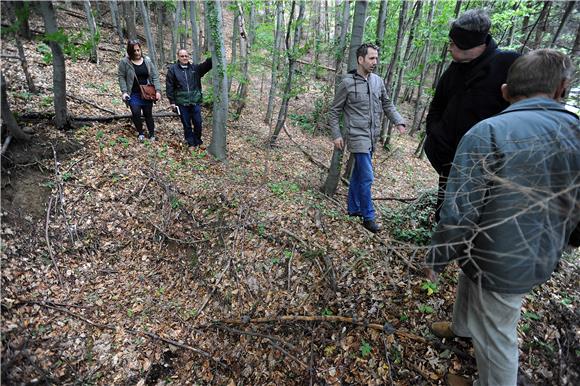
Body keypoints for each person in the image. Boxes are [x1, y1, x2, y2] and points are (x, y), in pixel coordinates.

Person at [424, 49, 579, 386]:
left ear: (506, 91)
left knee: (497, 334)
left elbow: (459, 210)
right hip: (531, 252)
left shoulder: (488, 132)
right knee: (469, 279)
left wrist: (437, 256)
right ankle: (461, 328)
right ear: (561, 88)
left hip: (501, 259)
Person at [424, 9, 520, 221]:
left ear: (470, 44)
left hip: (489, 175)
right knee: (446, 219)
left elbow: (523, 112)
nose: (449, 48)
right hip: (450, 166)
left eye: (453, 43)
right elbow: (436, 107)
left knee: (478, 228)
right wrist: (434, 137)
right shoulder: (453, 71)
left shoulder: (509, 66)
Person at [328, 43, 406, 233]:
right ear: (360, 60)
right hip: (356, 136)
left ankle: (353, 208)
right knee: (368, 177)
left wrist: (398, 121)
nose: (375, 62)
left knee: (359, 174)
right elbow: (334, 110)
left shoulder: (378, 81)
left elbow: (387, 103)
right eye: (371, 58)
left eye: (376, 58)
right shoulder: (347, 82)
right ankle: (368, 216)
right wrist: (336, 134)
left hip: (372, 136)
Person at [166, 49, 212, 147]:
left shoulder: (195, 69)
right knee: (186, 125)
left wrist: (213, 55)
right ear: (178, 57)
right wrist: (172, 102)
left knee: (198, 123)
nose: (184, 58)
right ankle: (191, 143)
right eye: (182, 56)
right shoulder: (173, 69)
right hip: (182, 103)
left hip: (195, 101)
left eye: (186, 56)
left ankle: (198, 141)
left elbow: (207, 65)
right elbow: (169, 86)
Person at [117, 40, 162, 141]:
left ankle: (152, 134)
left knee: (148, 114)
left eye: (138, 50)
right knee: (136, 112)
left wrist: (158, 90)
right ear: (130, 51)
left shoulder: (147, 61)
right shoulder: (124, 62)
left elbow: (154, 76)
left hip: (147, 93)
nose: (137, 52)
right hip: (133, 93)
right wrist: (124, 92)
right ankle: (140, 133)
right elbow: (121, 77)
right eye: (134, 51)